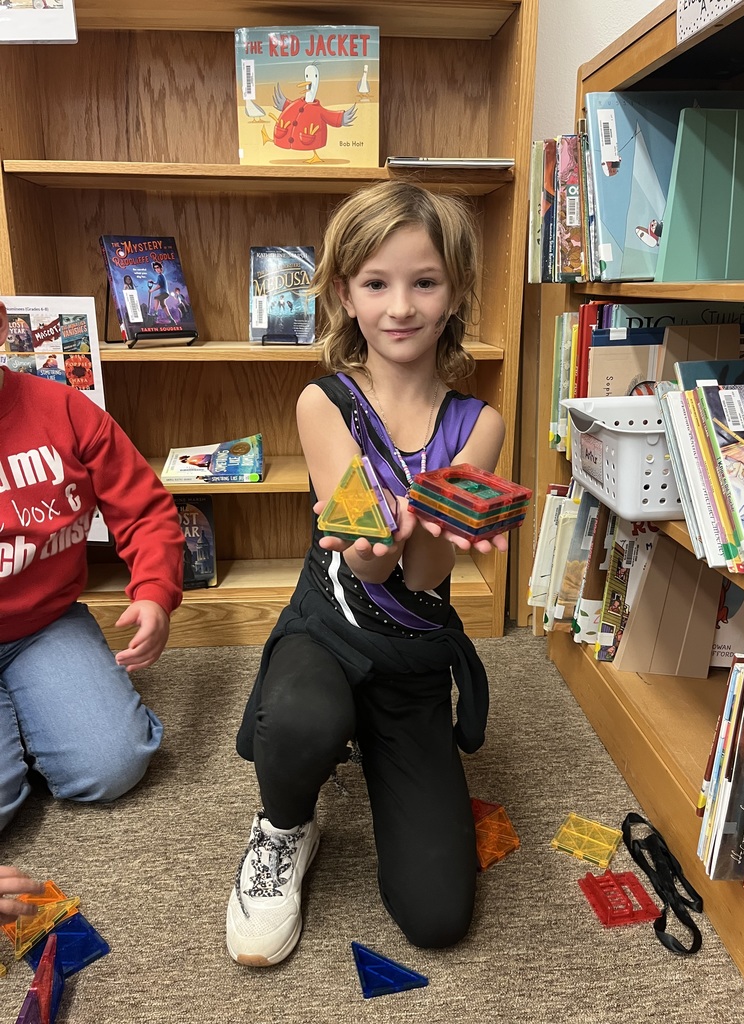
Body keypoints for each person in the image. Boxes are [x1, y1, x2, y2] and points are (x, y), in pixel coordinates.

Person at [226, 180, 507, 967]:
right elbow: (367, 563)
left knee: (438, 916)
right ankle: (284, 824)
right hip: (330, 627)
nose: (401, 307)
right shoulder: (324, 403)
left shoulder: (479, 424)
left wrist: (429, 531)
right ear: (345, 295)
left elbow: (421, 577)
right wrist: (376, 541)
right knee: (300, 719)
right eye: (377, 284)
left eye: (425, 282)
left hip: (412, 653)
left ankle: (375, 745)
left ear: (456, 292)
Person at [0, 299, 185, 834]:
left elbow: (145, 510)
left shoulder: (64, 408)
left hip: (44, 624)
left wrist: (154, 592)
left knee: (112, 767)